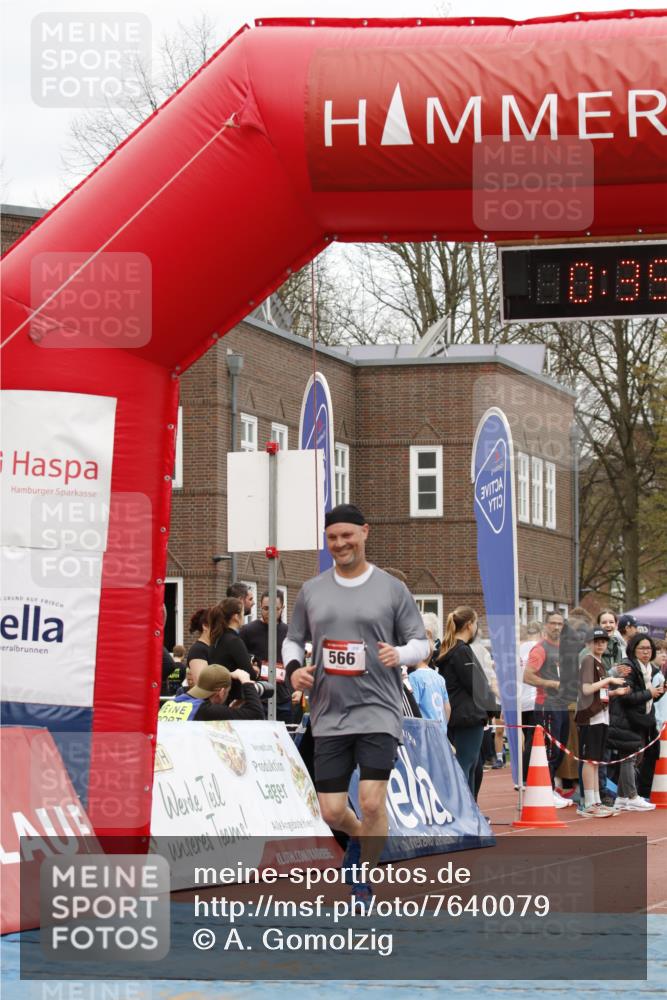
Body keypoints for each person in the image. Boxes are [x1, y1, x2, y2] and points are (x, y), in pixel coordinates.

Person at [283, 503, 428, 909]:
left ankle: (364, 879)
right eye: (332, 538)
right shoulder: (312, 590)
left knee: (370, 800)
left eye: (347, 535)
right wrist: (294, 669)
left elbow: (422, 642)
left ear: (364, 533)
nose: (340, 543)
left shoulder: (391, 589)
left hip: (379, 708)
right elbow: (293, 639)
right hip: (328, 711)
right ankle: (359, 841)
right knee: (331, 811)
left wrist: (399, 653)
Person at [437, 606, 498, 799]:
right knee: (466, 764)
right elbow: (477, 685)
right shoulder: (461, 651)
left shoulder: (450, 650)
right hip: (468, 716)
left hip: (458, 714)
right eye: (477, 624)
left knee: (470, 766)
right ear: (470, 625)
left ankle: (470, 811)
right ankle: (463, 811)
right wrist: (494, 708)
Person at [574, 627, 629, 818]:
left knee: (596, 760)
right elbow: (587, 689)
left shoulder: (599, 663)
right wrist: (610, 680)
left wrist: (614, 692)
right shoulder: (588, 661)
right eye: (596, 641)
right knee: (590, 760)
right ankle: (588, 803)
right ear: (588, 643)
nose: (600, 644)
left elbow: (599, 692)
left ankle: (596, 800)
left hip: (601, 716)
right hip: (591, 718)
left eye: (603, 641)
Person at [523, 610, 572, 808]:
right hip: (546, 705)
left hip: (562, 705)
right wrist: (550, 683)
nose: (557, 627)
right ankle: (546, 790)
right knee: (550, 751)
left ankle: (550, 789)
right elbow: (527, 676)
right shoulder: (540, 649)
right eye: (553, 623)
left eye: (560, 624)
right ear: (546, 625)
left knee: (560, 750)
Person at [609, 633, 660, 811]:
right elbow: (626, 696)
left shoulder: (650, 669)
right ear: (633, 649)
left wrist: (657, 693)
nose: (646, 652)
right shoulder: (628, 667)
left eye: (649, 648)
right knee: (629, 757)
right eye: (642, 648)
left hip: (639, 718)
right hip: (624, 718)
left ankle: (622, 797)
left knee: (632, 757)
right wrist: (650, 693)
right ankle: (632, 796)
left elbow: (648, 697)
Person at [240, 590, 291, 721]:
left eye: (276, 609)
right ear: (260, 607)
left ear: (282, 608)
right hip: (258, 697)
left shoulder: (289, 632)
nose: (271, 613)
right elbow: (240, 660)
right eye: (266, 609)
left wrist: (298, 690)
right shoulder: (248, 631)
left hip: (284, 698)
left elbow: (297, 663)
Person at [158, 663, 264, 721]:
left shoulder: (171, 703)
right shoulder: (205, 711)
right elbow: (256, 713)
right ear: (221, 692)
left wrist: (236, 706)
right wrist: (246, 681)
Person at [408, 613, 450, 729]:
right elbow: (447, 708)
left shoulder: (413, 678)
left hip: (425, 735)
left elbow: (413, 709)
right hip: (440, 733)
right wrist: (443, 727)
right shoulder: (439, 678)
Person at [208, 598, 257, 676]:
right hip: (232, 687)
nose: (244, 617)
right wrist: (256, 670)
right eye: (243, 613)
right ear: (236, 617)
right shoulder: (234, 641)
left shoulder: (217, 637)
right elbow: (250, 674)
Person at [519, 621, 541, 783]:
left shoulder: (518, 650)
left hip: (520, 699)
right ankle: (528, 776)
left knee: (523, 739)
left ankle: (520, 775)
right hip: (535, 699)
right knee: (533, 739)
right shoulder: (540, 649)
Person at [185, 608, 211, 685]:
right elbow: (202, 684)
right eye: (217, 624)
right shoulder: (198, 650)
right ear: (205, 626)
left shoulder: (213, 648)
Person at [597, 608, 624, 673]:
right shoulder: (591, 647)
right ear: (598, 626)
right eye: (604, 623)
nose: (608, 625)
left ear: (616, 625)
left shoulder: (617, 647)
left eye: (611, 622)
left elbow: (618, 674)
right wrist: (612, 673)